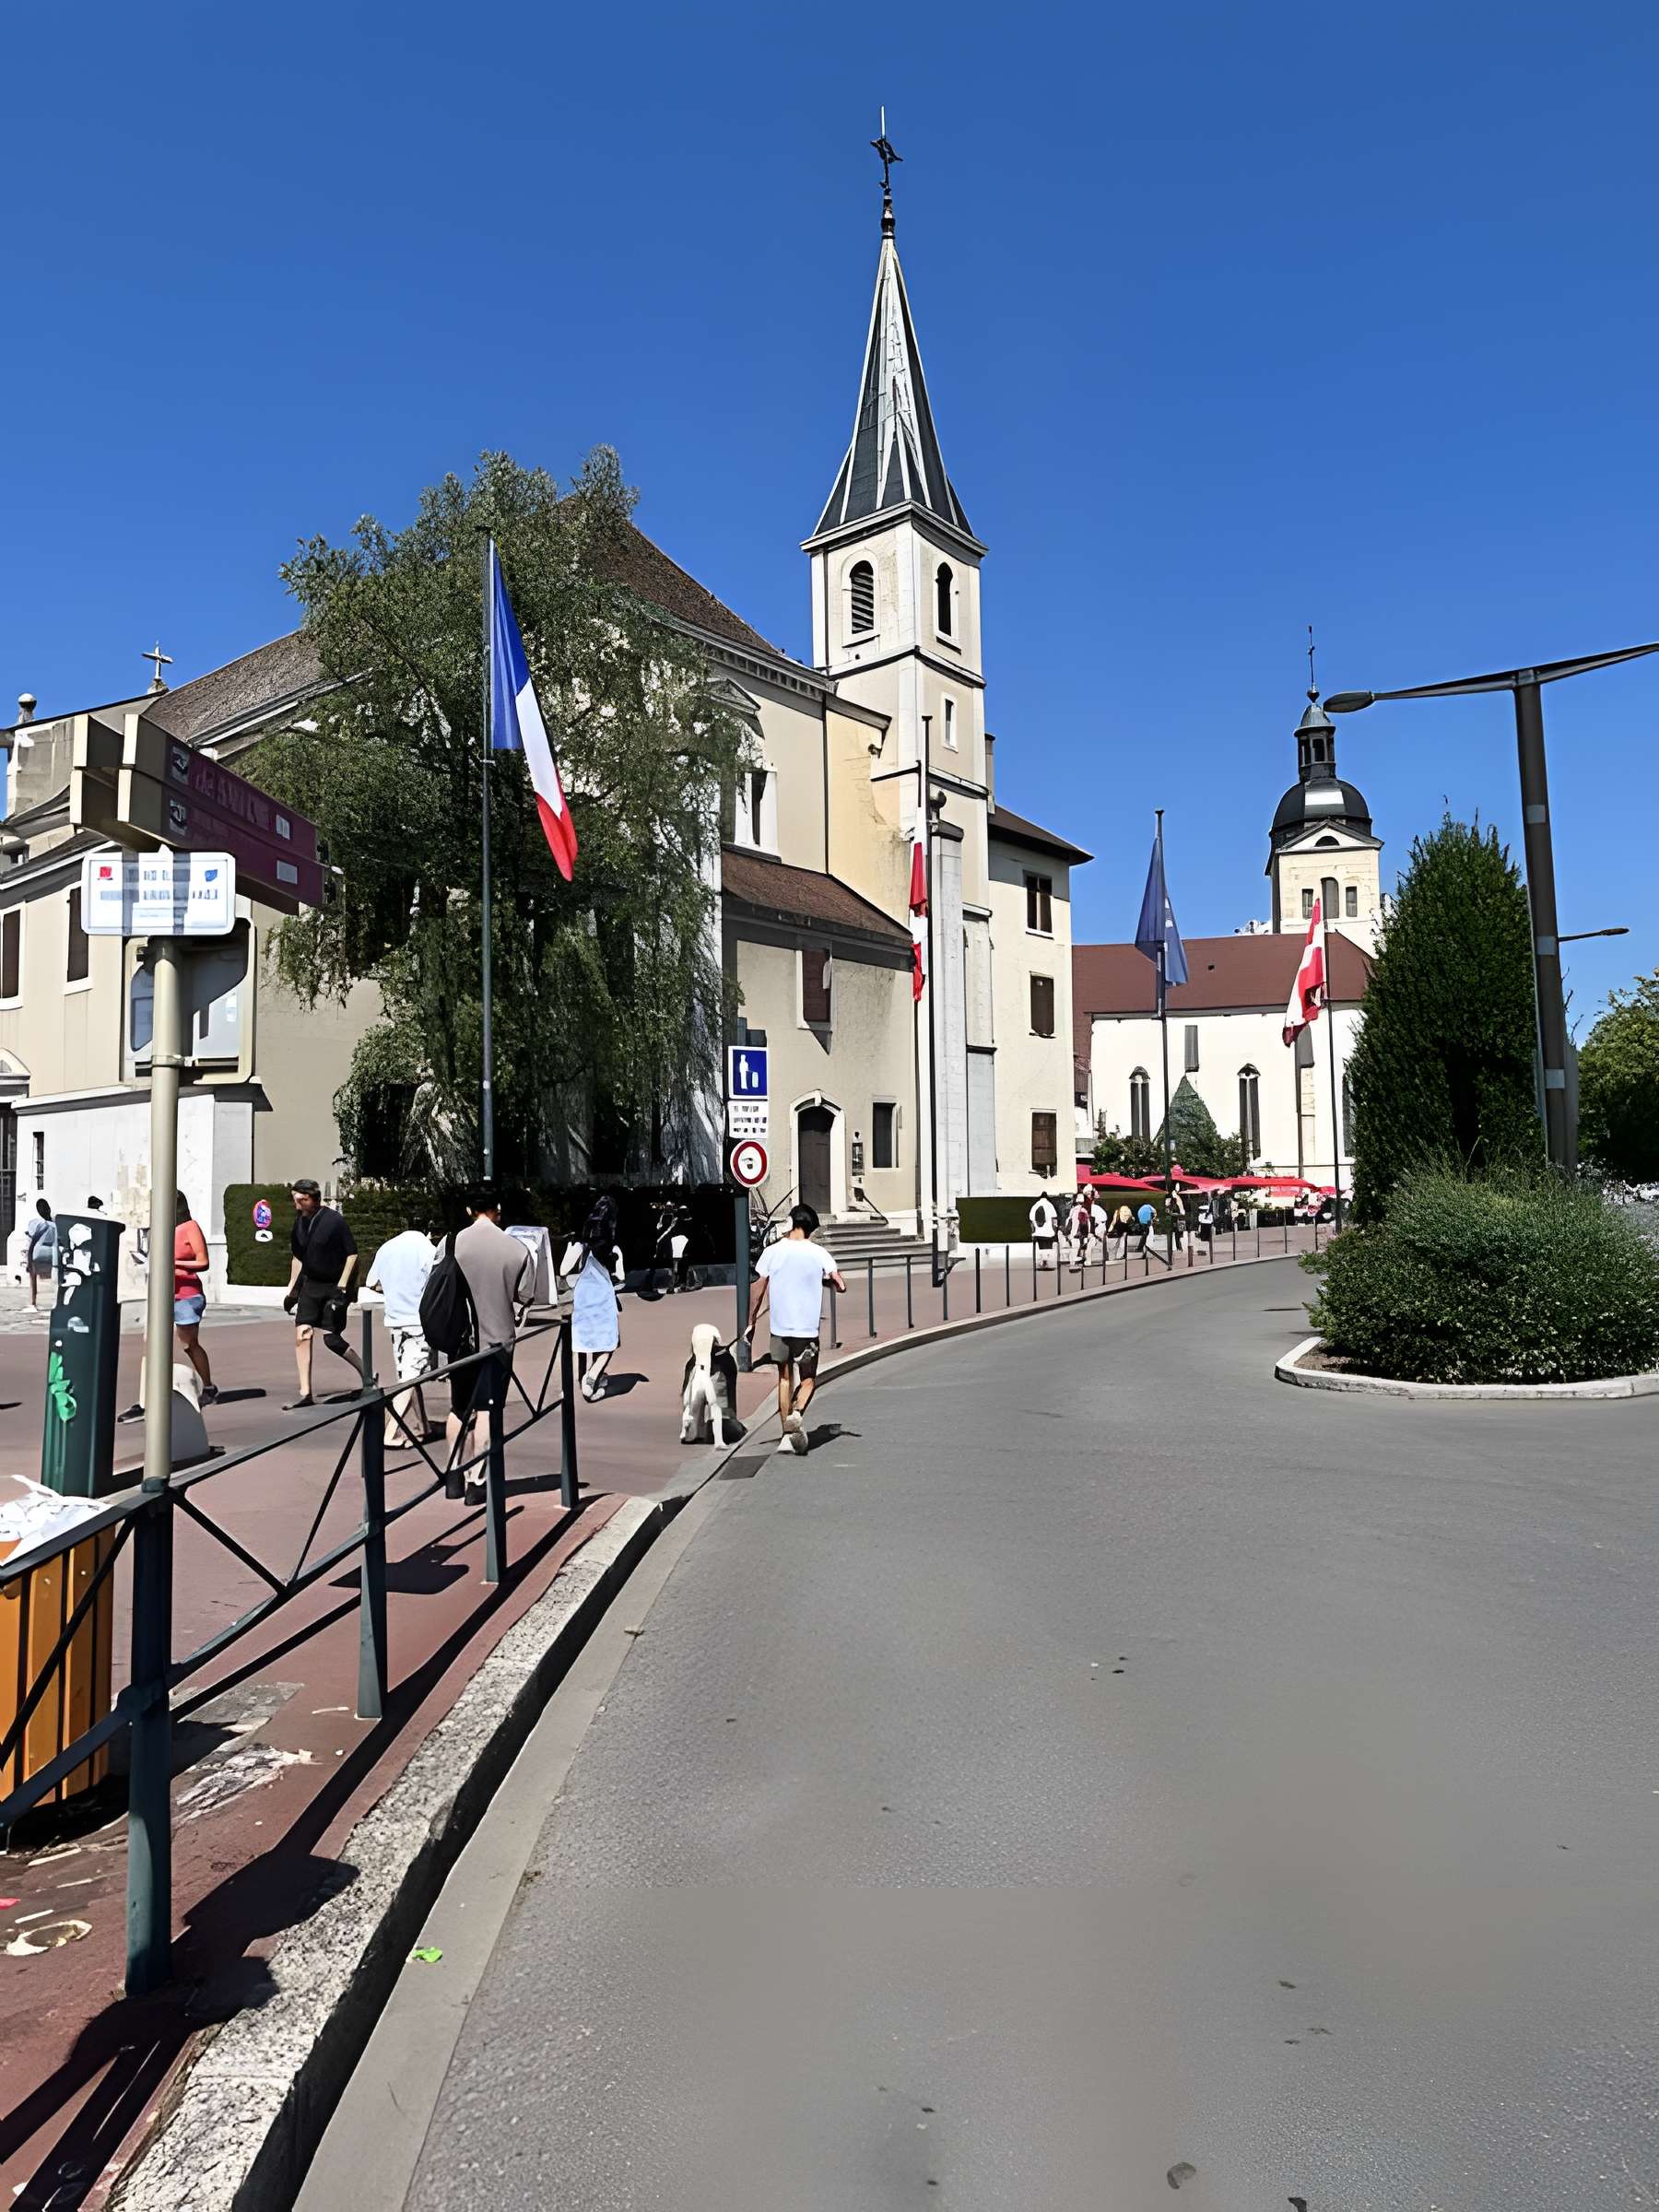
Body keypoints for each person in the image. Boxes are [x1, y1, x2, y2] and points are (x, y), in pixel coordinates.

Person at [449, 1188, 535, 1503]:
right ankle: (477, 1481)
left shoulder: (451, 1243)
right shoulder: (517, 1249)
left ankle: (453, 1474)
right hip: (497, 1341)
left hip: (460, 1341)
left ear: (469, 1209)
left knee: (458, 1409)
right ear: (497, 1209)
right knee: (487, 1410)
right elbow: (525, 1297)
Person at [744, 1203, 844, 1457]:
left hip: (780, 1327)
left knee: (784, 1378)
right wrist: (825, 1281)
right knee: (808, 1379)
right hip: (807, 1330)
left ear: (791, 1224)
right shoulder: (819, 1253)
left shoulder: (772, 1252)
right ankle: (797, 1414)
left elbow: (758, 1289)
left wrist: (751, 1321)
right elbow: (840, 1284)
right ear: (811, 1228)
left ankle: (785, 1438)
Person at [281, 1180, 365, 1409]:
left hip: (333, 1286)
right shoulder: (299, 1223)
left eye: (302, 1200)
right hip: (310, 1285)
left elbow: (352, 1255)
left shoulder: (334, 1221)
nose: (297, 1204)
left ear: (313, 1198)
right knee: (303, 1334)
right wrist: (291, 1290)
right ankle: (305, 1393)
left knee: (332, 1339)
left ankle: (366, 1376)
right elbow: (298, 1257)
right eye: (295, 1199)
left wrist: (342, 1288)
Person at [366, 1213, 439, 1447]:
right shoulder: (427, 1249)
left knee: (409, 1375)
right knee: (410, 1378)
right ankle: (389, 1433)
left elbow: (371, 1283)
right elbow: (437, 1282)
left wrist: (393, 1291)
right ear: (428, 1230)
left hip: (395, 1320)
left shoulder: (387, 1247)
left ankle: (424, 1425)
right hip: (419, 1321)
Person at [564, 1196, 625, 1401]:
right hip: (604, 1303)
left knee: (583, 1344)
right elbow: (622, 1278)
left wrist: (569, 1248)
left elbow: (564, 1270)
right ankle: (591, 1378)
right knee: (607, 1345)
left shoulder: (580, 1247)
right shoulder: (614, 1250)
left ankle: (583, 1376)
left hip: (582, 1301)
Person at [173, 1191, 216, 1404]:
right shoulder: (160, 1228)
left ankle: (208, 1386)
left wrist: (175, 1263)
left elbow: (203, 1261)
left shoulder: (189, 1227)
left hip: (187, 1295)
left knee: (189, 1344)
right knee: (152, 1343)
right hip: (163, 1294)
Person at [24, 1198, 56, 1310]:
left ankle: (33, 1303)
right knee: (56, 1278)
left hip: (37, 1254)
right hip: (52, 1253)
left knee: (33, 1279)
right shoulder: (55, 1223)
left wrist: (28, 1260)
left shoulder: (36, 1223)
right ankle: (56, 1302)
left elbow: (32, 1242)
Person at [1029, 1190, 1058, 1271]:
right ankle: (1047, 1263)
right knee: (1048, 1247)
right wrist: (1055, 1230)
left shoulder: (1035, 1206)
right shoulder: (1050, 1205)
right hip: (1049, 1233)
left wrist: (1033, 1232)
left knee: (1041, 1247)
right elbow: (1054, 1219)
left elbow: (1031, 1220)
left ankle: (1043, 1263)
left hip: (1038, 1233)